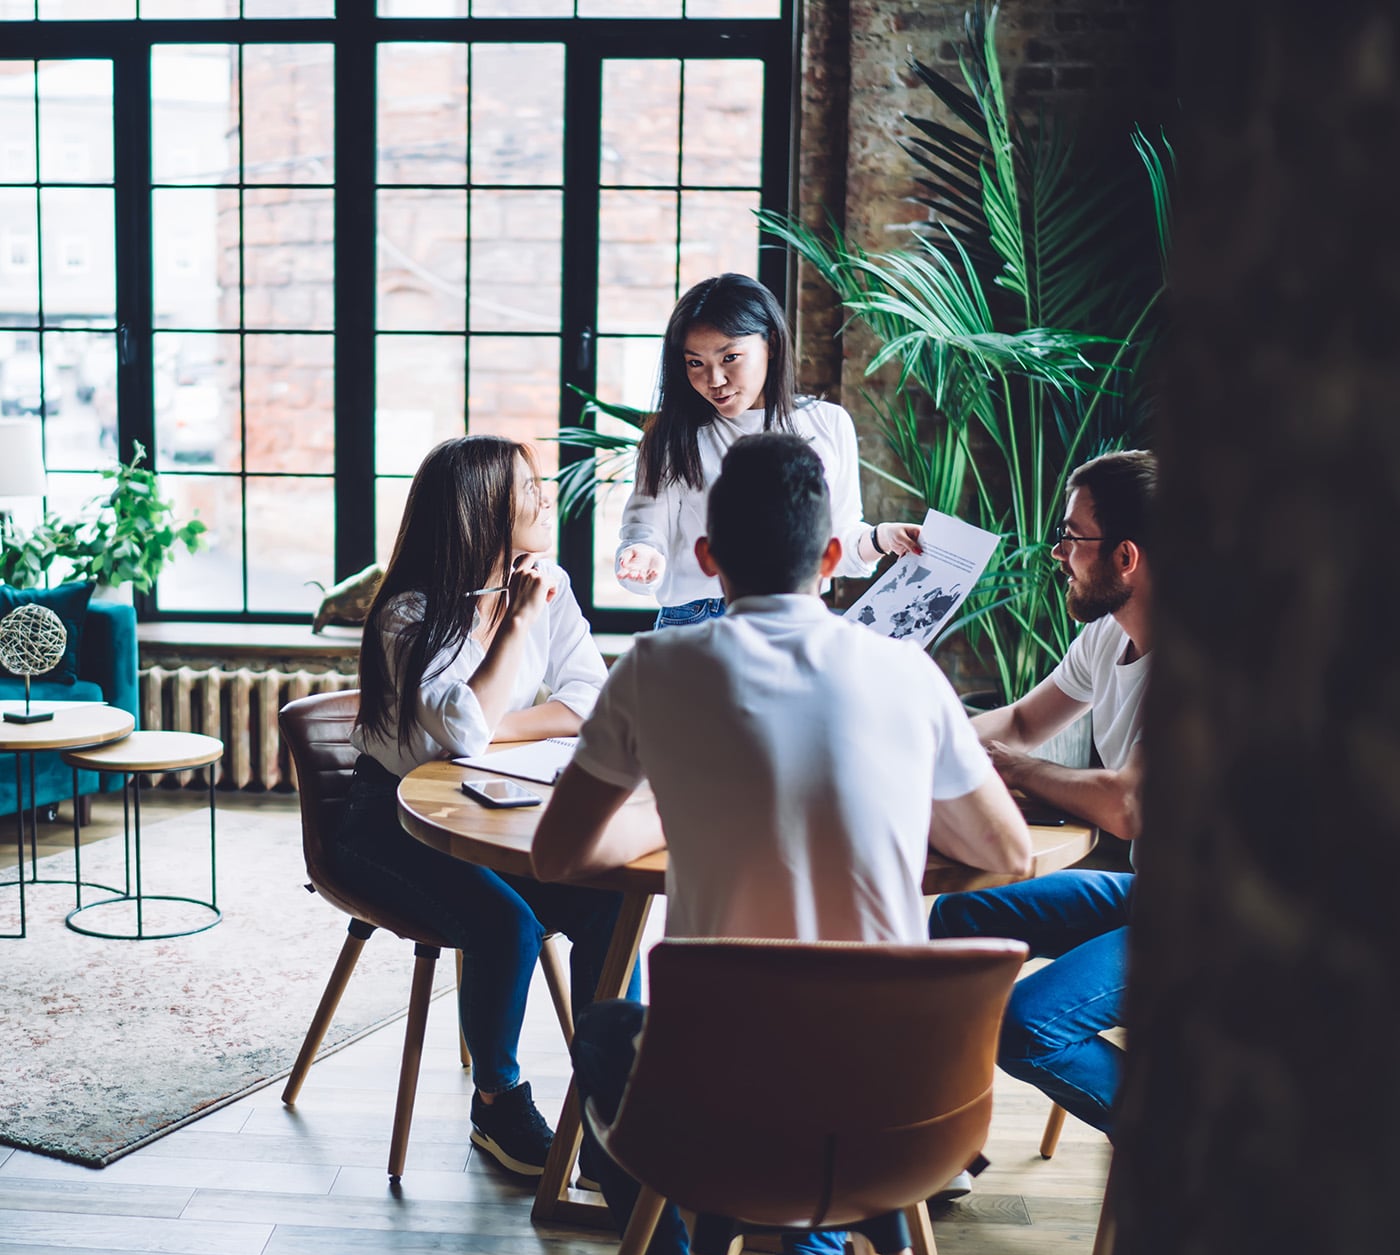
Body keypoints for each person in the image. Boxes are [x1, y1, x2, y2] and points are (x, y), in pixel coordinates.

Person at [533, 432, 1031, 1255]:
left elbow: (559, 854)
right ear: (832, 556)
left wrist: (666, 805)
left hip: (706, 1105)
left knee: (604, 1033)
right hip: (905, 1113)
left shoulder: (652, 668)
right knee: (845, 1043)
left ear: (706, 556)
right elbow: (1003, 854)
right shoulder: (906, 675)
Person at [334, 435, 634, 1180]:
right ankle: (497, 1103)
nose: (544, 497)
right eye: (528, 487)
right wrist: (519, 626)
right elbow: (465, 731)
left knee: (610, 902)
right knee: (508, 925)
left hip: (483, 806)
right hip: (388, 820)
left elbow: (591, 699)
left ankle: (613, 1106)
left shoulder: (548, 581)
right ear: (479, 513)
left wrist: (487, 727)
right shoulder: (408, 614)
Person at [928, 449, 1157, 1141]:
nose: (1058, 551)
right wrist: (935, 742)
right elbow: (1025, 722)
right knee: (951, 924)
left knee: (1027, 1028)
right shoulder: (1106, 638)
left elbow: (1127, 804)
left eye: (1071, 536)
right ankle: (931, 1141)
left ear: (1124, 556)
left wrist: (1014, 770)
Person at [615, 272, 922, 627]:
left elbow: (833, 544)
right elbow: (643, 534)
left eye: (730, 357)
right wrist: (642, 558)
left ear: (771, 344)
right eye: (695, 363)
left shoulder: (827, 423)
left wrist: (880, 538)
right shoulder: (672, 437)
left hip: (797, 619)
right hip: (697, 619)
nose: (714, 380)